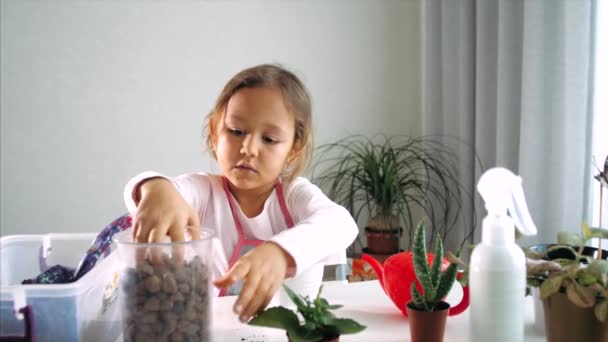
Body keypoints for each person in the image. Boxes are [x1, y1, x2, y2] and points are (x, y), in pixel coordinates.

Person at [123, 64, 358, 323]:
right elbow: (165, 190)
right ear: (215, 133)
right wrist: (156, 188)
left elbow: (341, 223)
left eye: (269, 139)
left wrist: (280, 252)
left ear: (294, 149)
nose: (248, 148)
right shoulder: (204, 192)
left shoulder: (293, 195)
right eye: (236, 131)